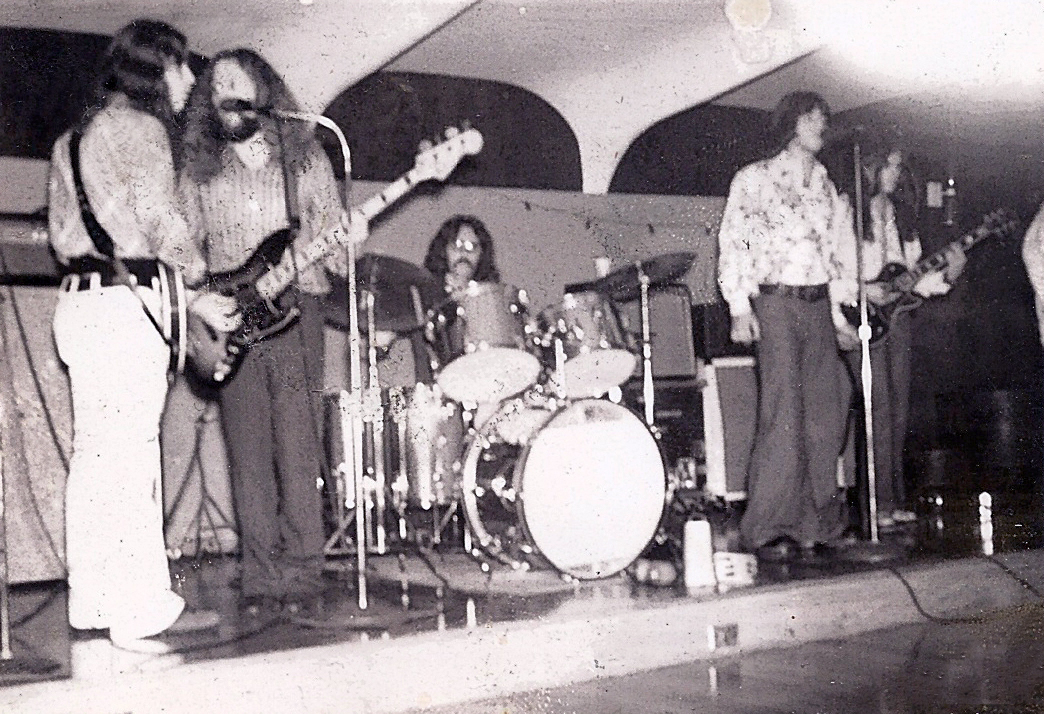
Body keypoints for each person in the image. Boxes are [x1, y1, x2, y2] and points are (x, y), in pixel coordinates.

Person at [47, 19, 238, 647]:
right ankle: (141, 608)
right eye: (182, 66)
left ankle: (93, 601)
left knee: (94, 458)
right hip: (126, 311)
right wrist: (199, 275)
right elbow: (160, 224)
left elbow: (67, 236)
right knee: (131, 456)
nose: (190, 80)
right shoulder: (144, 131)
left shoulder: (72, 139)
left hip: (80, 306)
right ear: (157, 69)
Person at [179, 48, 362, 616]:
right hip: (232, 318)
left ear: (264, 92)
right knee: (248, 450)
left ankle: (305, 569)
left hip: (299, 308)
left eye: (237, 83)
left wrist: (350, 239)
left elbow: (338, 257)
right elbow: (183, 252)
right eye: (216, 87)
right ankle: (260, 574)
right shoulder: (199, 170)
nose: (226, 94)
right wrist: (199, 308)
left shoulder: (304, 159)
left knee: (299, 444)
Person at [716, 91, 859, 563]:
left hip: (817, 304)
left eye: (823, 119)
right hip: (775, 302)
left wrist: (837, 317)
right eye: (811, 118)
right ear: (790, 124)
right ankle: (768, 525)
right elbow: (736, 241)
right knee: (784, 413)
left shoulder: (826, 185)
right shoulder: (755, 179)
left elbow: (833, 257)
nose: (821, 126)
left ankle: (817, 523)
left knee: (824, 414)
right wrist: (740, 306)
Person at [852, 149, 965, 528]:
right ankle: (875, 505)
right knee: (878, 408)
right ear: (869, 167)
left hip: (897, 320)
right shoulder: (849, 213)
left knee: (898, 410)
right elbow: (834, 268)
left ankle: (892, 500)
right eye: (888, 165)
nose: (895, 173)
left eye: (899, 166)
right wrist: (863, 290)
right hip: (858, 316)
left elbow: (914, 279)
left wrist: (948, 275)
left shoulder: (902, 217)